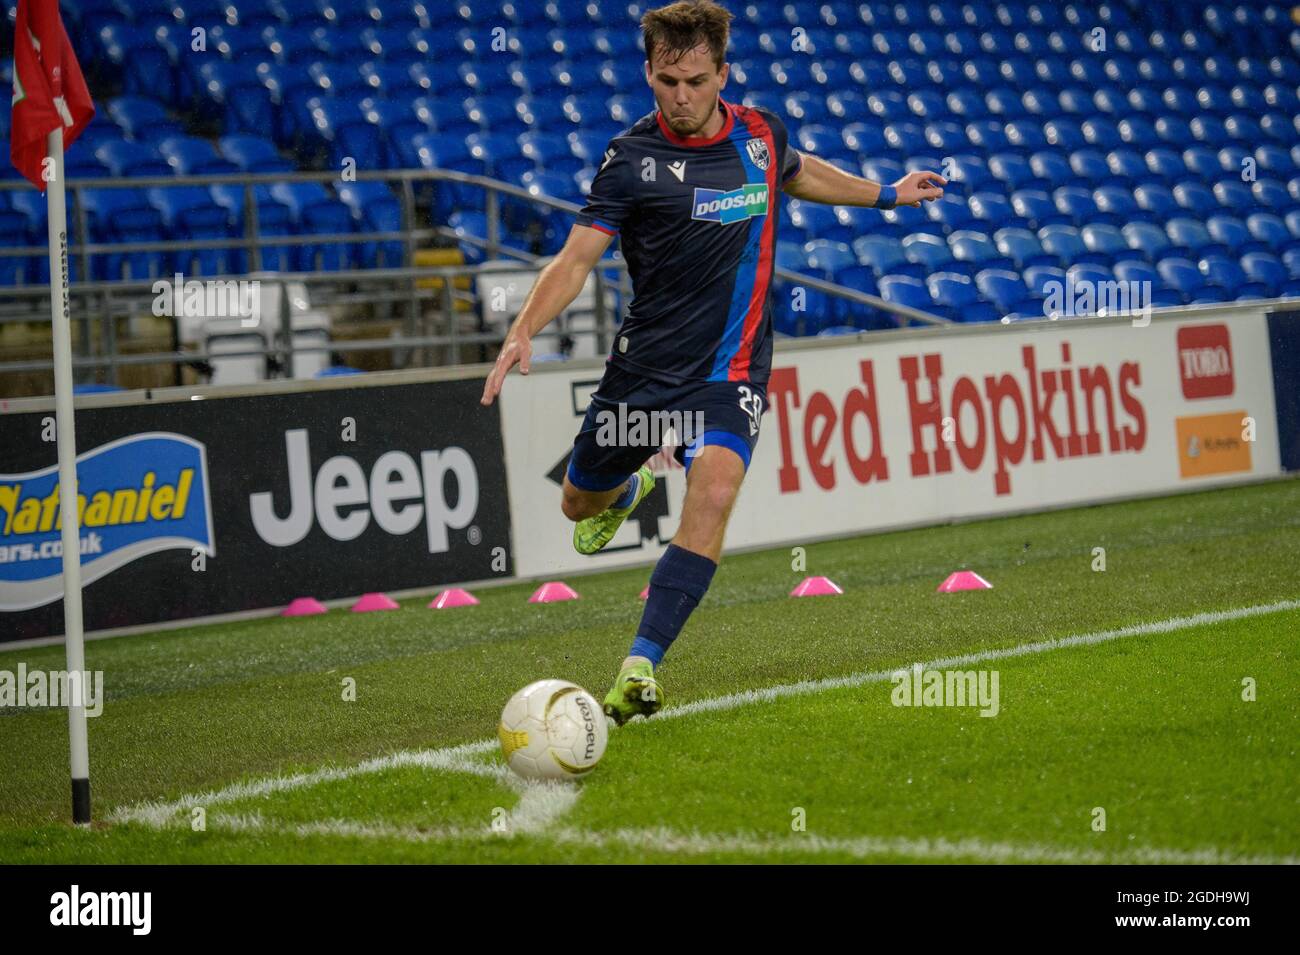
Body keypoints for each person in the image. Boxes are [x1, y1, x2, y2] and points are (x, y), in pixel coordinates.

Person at [480, 0, 945, 724]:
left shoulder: (761, 133)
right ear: (649, 72)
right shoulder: (629, 160)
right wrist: (524, 328)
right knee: (579, 502)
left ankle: (640, 664)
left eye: (696, 80)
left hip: (730, 371)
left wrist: (886, 194)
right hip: (643, 374)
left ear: (723, 73)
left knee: (715, 490)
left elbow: (796, 172)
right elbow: (576, 259)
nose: (682, 96)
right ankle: (626, 489)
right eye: (667, 80)